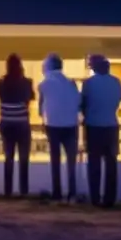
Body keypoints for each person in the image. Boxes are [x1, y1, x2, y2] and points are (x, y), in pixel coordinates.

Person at [80, 54, 121, 208]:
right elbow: (119, 100)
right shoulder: (116, 82)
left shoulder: (89, 84)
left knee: (94, 164)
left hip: (93, 126)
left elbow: (83, 104)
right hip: (111, 125)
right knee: (111, 164)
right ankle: (109, 199)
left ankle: (95, 198)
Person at [37, 53, 81, 202]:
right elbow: (78, 102)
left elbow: (40, 108)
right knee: (71, 162)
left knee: (55, 160)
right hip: (71, 125)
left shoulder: (43, 84)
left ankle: (57, 193)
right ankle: (72, 193)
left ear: (48, 67)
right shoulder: (71, 83)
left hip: (53, 126)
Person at [0, 54, 35, 198]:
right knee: (24, 159)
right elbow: (30, 98)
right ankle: (24, 191)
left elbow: (0, 94)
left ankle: (8, 191)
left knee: (8, 158)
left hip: (6, 123)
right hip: (22, 123)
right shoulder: (26, 82)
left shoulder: (1, 83)